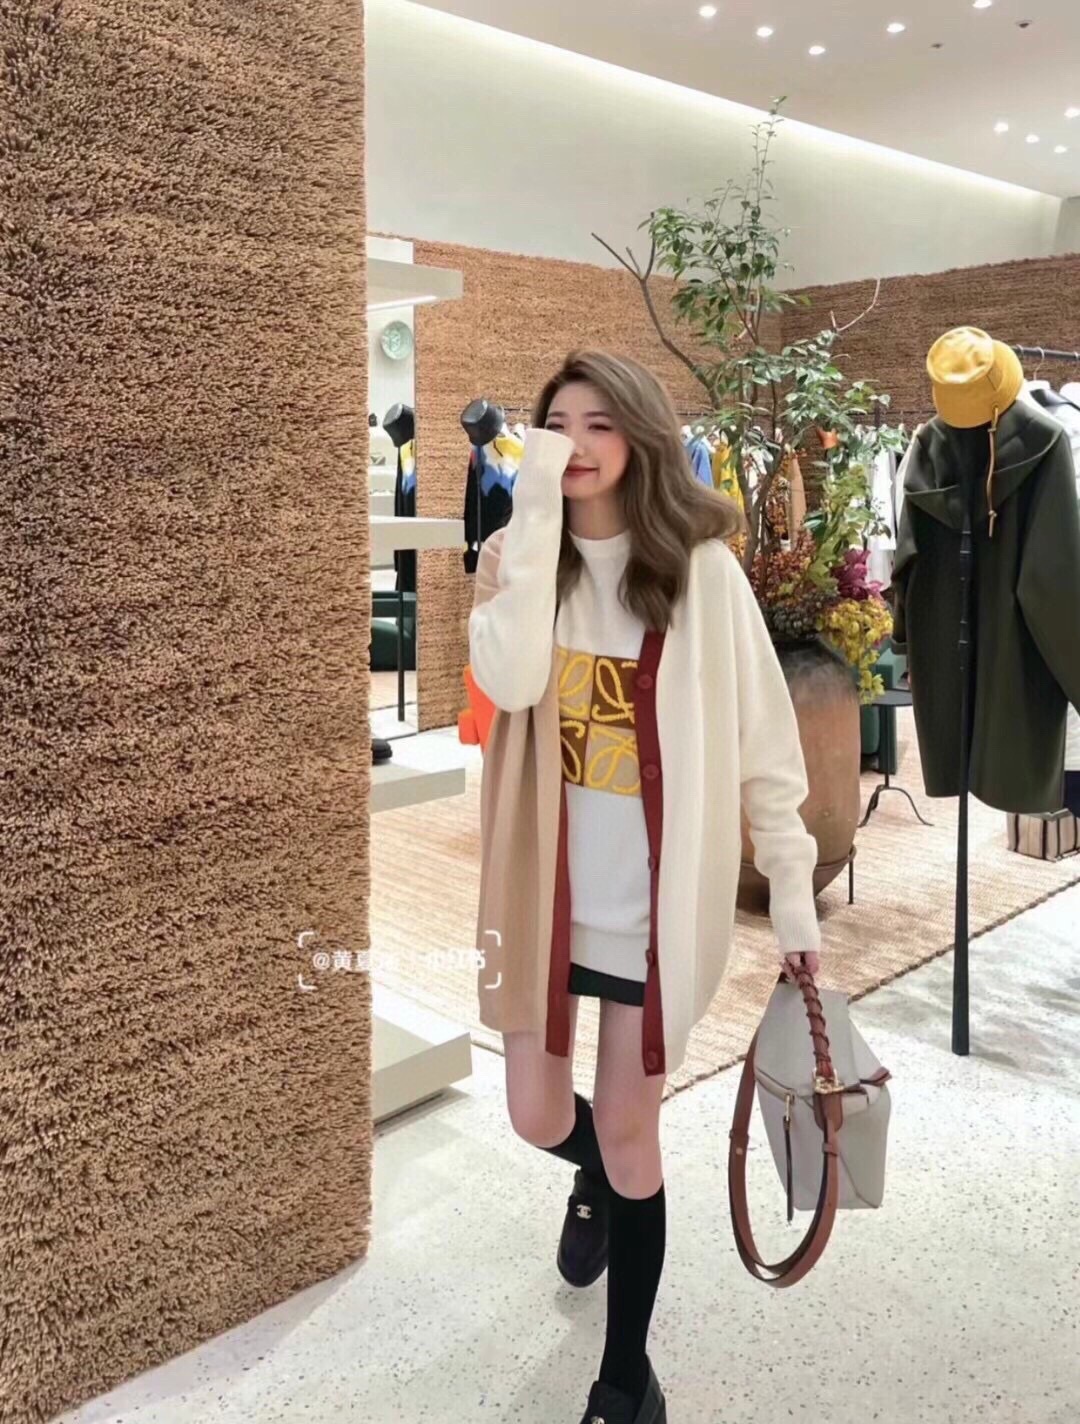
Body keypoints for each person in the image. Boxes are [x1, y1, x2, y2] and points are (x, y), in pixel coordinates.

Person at [468, 351, 822, 1424]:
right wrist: (532, 516)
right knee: (537, 1116)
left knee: (631, 1134)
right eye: (556, 423)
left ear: (641, 438)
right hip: (544, 899)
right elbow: (510, 681)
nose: (575, 443)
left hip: (654, 911)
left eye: (600, 423)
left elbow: (767, 744)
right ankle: (596, 1176)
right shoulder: (513, 561)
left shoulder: (701, 572)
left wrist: (793, 895)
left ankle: (627, 1380)